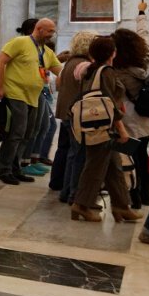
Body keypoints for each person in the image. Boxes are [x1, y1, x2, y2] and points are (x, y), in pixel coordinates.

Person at [70, 36, 139, 223]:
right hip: (103, 128)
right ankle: (81, 205)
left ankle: (121, 206)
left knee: (114, 167)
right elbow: (110, 105)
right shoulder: (106, 72)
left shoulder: (89, 70)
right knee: (94, 167)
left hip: (94, 126)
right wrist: (122, 130)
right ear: (112, 53)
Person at [0, 18, 61, 185]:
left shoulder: (46, 51)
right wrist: (0, 87)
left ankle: (16, 168)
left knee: (28, 133)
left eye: (53, 31)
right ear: (39, 29)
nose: (52, 35)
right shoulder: (20, 42)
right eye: (49, 31)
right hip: (16, 93)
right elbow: (0, 62)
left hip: (34, 96)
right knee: (17, 133)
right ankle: (4, 169)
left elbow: (61, 71)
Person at [112, 9, 149, 208]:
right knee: (142, 152)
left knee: (131, 154)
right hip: (147, 114)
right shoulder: (145, 58)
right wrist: (141, 15)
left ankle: (135, 194)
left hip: (129, 115)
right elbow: (145, 37)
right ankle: (146, 191)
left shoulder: (117, 69)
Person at [55, 31, 98, 202]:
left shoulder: (70, 62)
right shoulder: (84, 65)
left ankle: (66, 192)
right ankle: (73, 193)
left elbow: (59, 85)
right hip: (76, 115)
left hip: (67, 112)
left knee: (72, 154)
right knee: (78, 155)